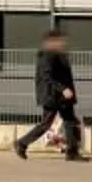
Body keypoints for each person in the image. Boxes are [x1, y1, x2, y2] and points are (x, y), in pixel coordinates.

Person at [13, 28, 82, 161]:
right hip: (53, 96)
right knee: (46, 124)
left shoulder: (57, 55)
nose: (63, 44)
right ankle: (21, 143)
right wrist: (63, 89)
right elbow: (47, 76)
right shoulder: (48, 55)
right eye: (60, 41)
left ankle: (72, 152)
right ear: (52, 42)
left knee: (69, 121)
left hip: (61, 97)